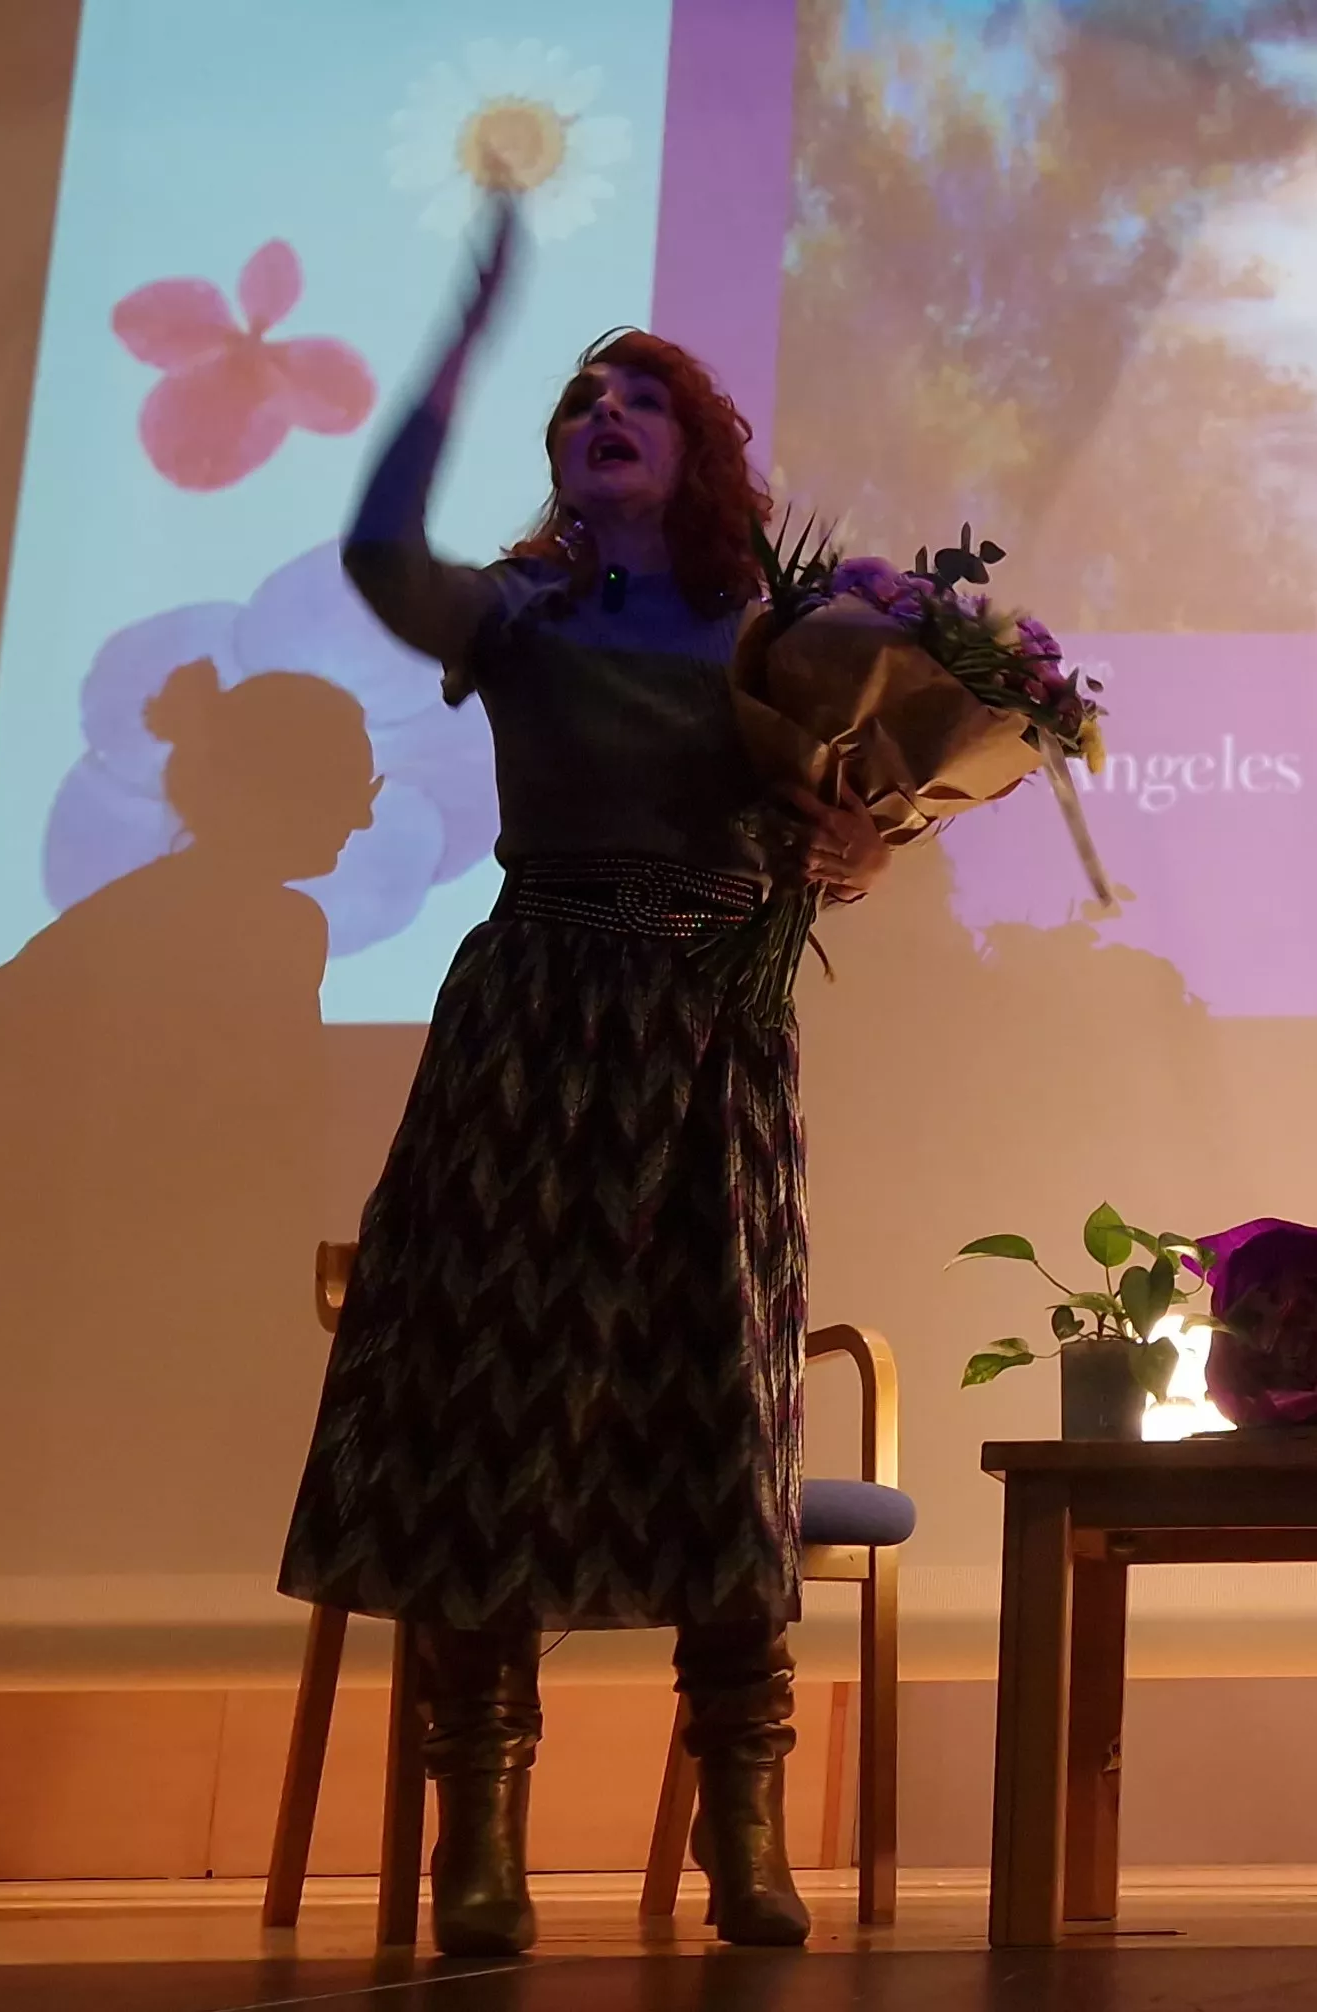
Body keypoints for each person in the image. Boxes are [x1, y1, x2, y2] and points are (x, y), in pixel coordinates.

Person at [275, 198, 886, 1958]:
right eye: (579, 402)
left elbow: (855, 833)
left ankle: (746, 1829)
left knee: (725, 1410)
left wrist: (861, 844)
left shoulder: (779, 632)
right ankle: (481, 1833)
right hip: (535, 1030)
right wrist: (462, 345)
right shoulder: (521, 614)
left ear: (697, 453)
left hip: (712, 1043)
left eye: (640, 398)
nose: (601, 412)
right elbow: (375, 550)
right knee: (494, 1416)